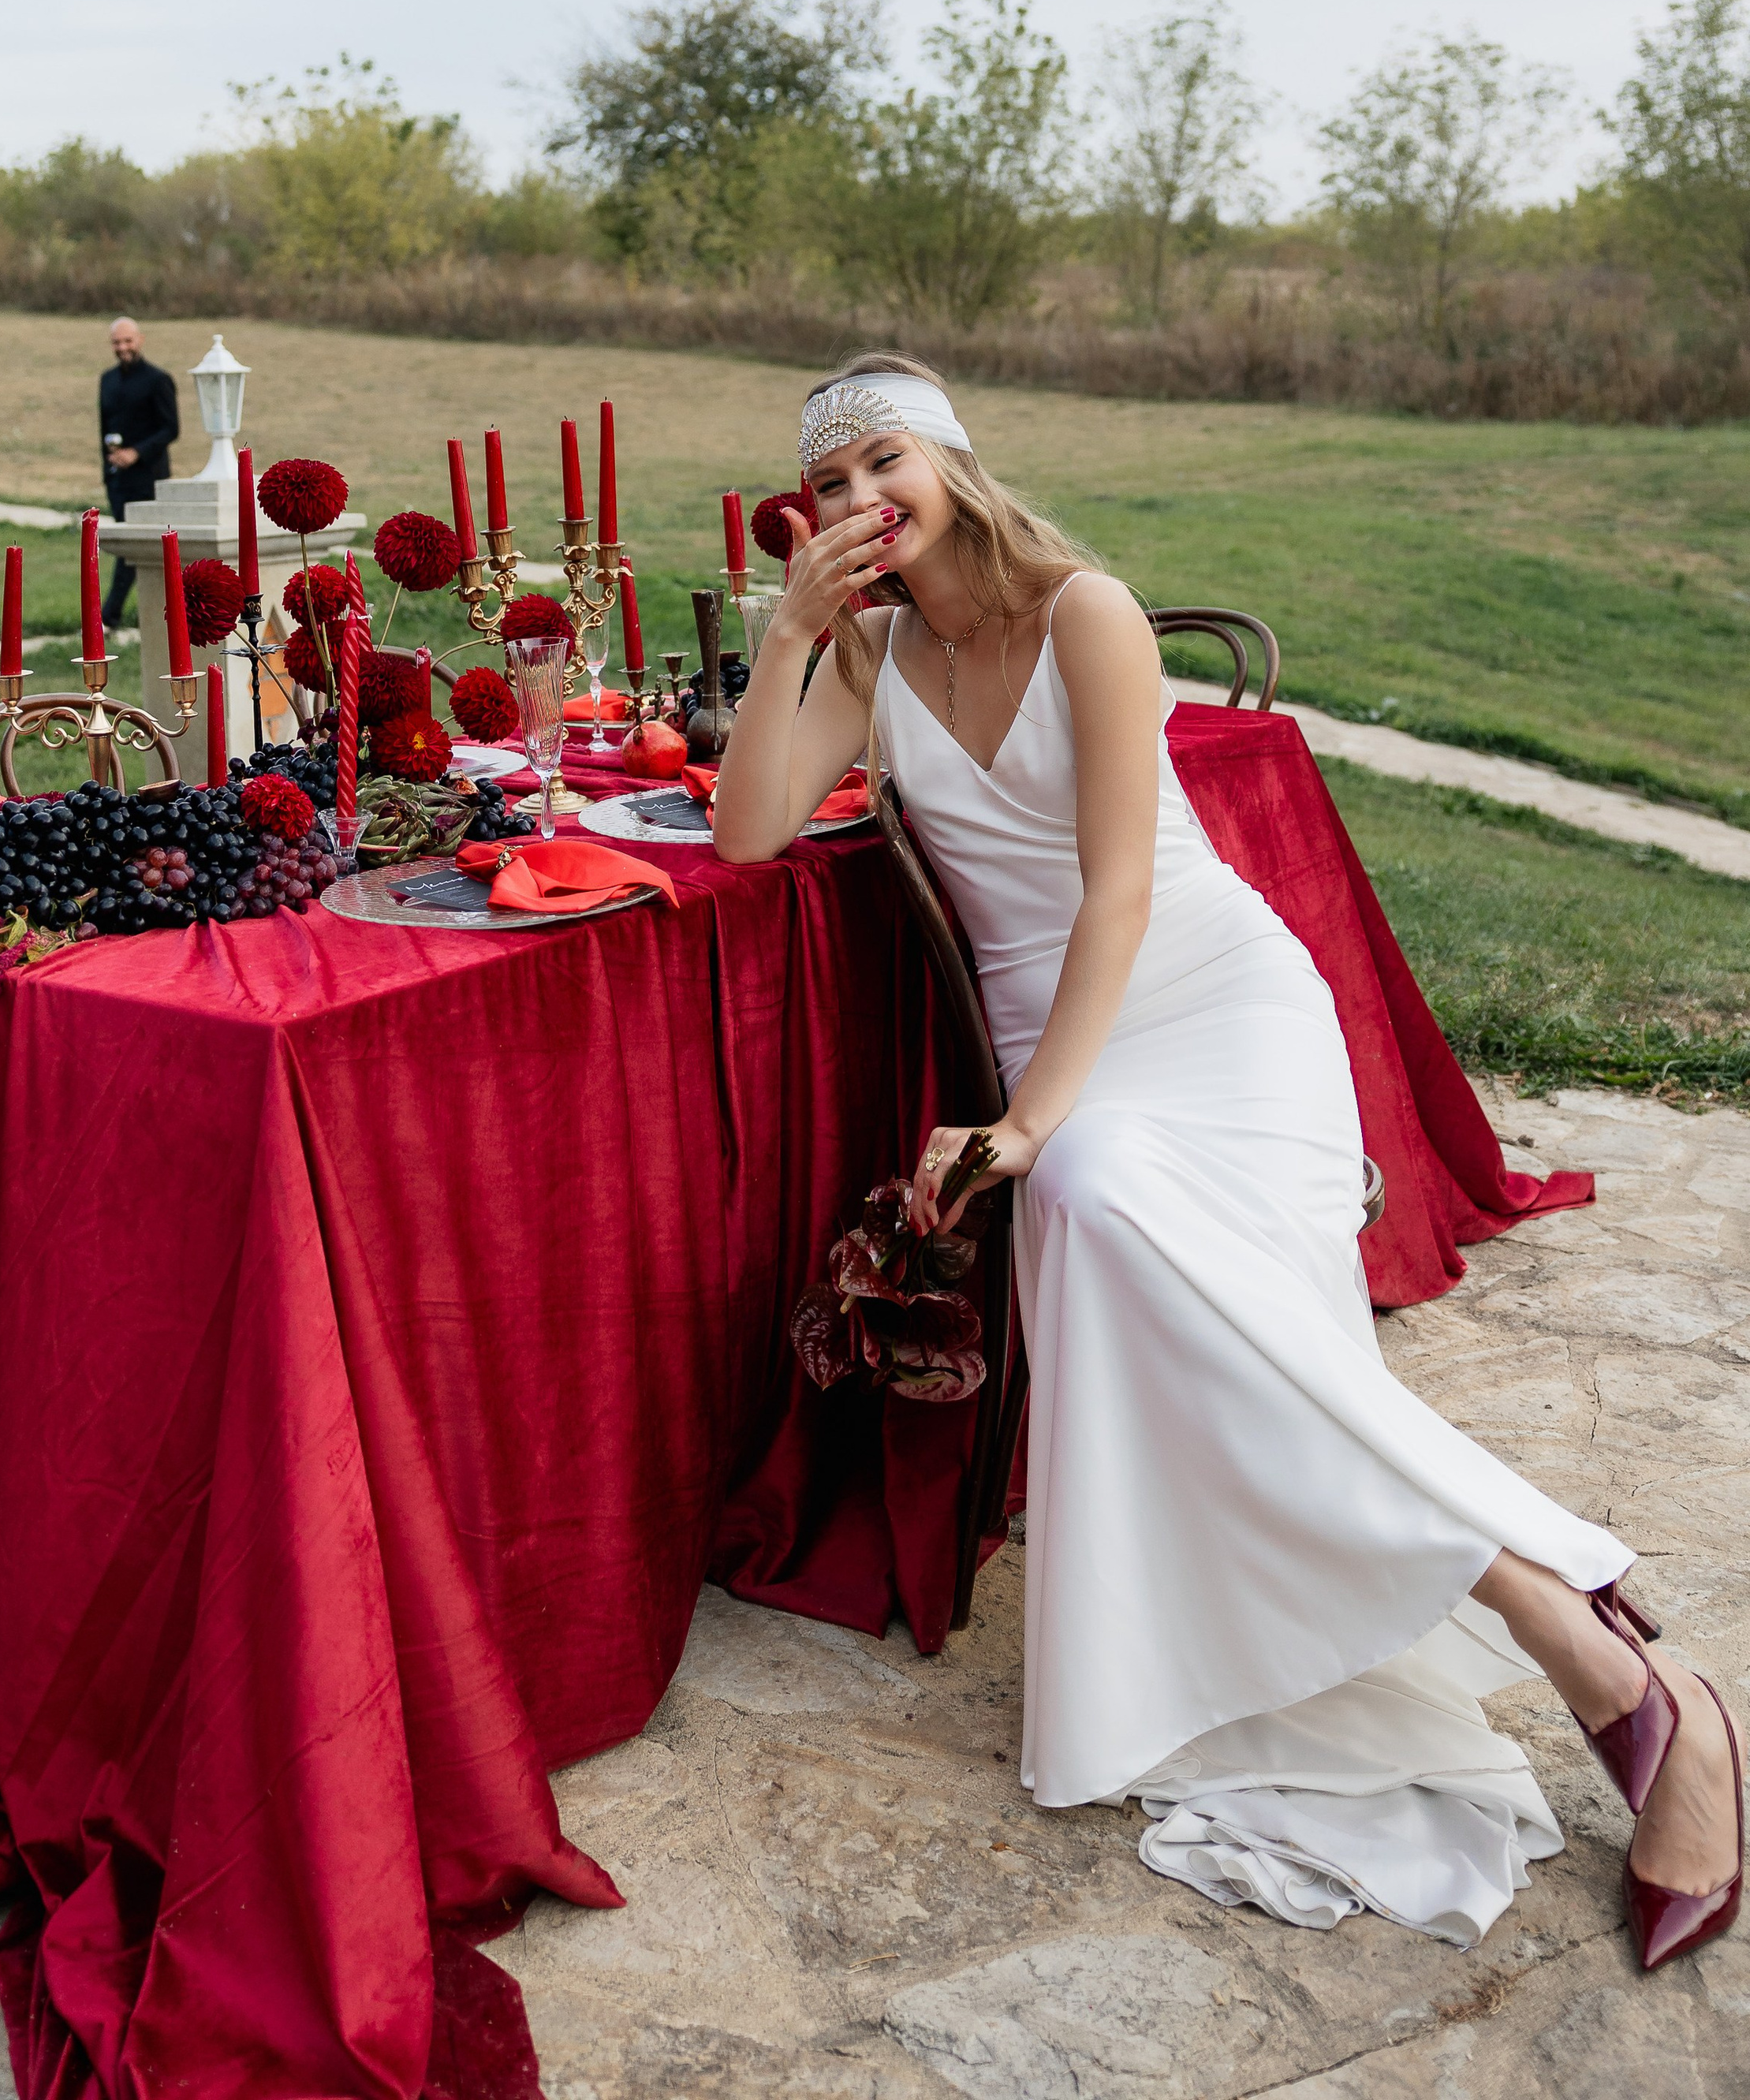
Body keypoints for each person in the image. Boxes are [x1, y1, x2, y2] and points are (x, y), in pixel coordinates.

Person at [715, 349, 1741, 1965]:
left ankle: (1603, 1663)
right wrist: (787, 632)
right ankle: (1593, 1641)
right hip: (1073, 1068)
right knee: (1108, 1219)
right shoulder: (872, 652)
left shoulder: (1087, 612)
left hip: (1210, 1019)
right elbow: (747, 833)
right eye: (824, 488)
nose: (855, 506)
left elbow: (1116, 897)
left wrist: (1029, 1121)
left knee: (1090, 1192)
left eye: (879, 465)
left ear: (956, 464)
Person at [97, 318, 181, 628]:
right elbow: (103, 428)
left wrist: (136, 452)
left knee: (137, 546)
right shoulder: (107, 380)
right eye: (117, 343)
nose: (123, 348)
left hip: (149, 478)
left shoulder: (158, 379)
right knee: (127, 543)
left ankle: (109, 616)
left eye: (128, 342)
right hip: (118, 480)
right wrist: (109, 466)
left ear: (140, 340)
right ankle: (118, 616)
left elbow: (170, 429)